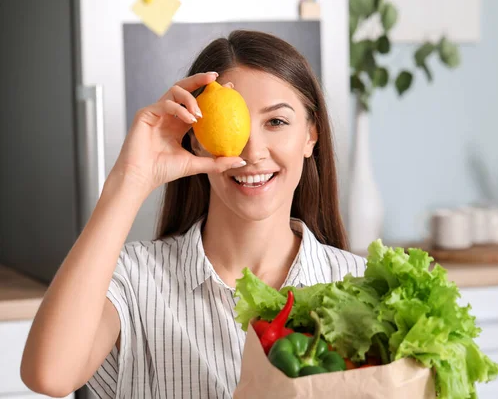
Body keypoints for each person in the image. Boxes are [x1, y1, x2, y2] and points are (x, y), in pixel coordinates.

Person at [20, 30, 366, 399]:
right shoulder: (135, 281)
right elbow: (49, 376)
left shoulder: (360, 285)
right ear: (196, 138)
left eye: (276, 122)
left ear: (311, 135)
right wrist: (131, 179)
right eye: (235, 126)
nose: (252, 151)